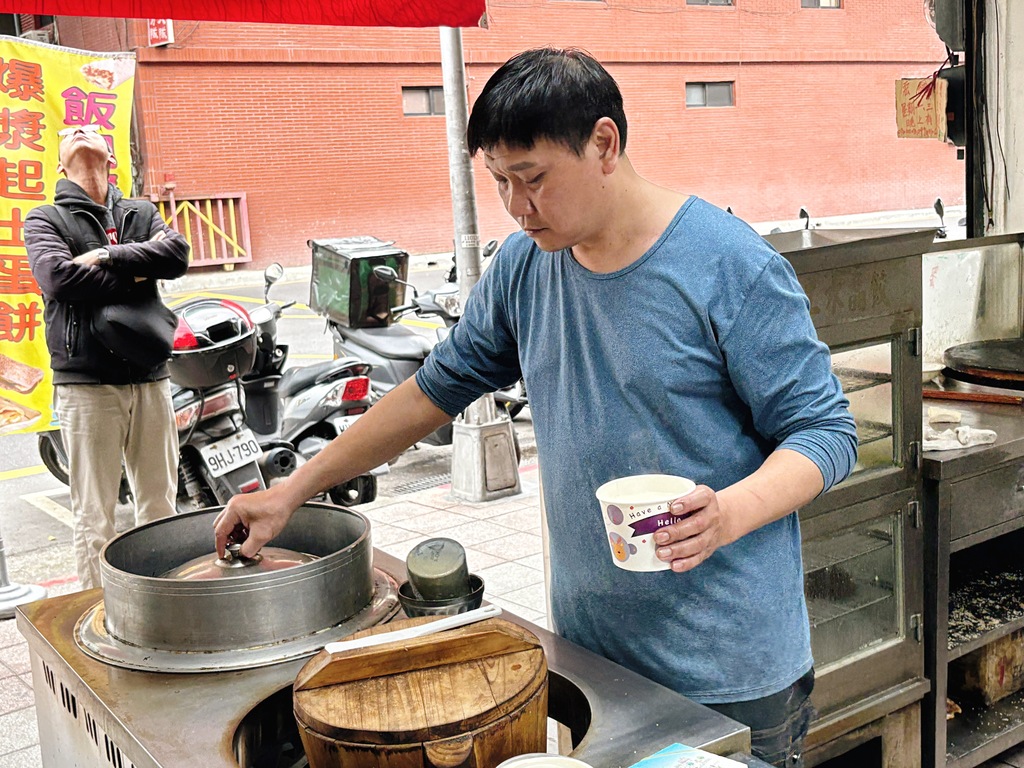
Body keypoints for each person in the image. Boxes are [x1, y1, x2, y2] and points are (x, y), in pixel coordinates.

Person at [215, 48, 856, 767]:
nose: (519, 207)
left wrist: (727, 515)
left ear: (605, 144)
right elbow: (435, 388)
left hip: (731, 668)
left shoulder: (730, 266)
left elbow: (826, 432)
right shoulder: (526, 263)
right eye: (499, 183)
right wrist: (292, 493)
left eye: (534, 179)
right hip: (591, 655)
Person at [26, 124, 190, 590]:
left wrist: (103, 256)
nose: (81, 130)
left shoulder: (139, 210)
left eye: (93, 129)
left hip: (151, 376)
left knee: (159, 505)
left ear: (111, 157)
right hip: (85, 383)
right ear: (60, 164)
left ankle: (163, 598)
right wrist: (137, 271)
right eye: (70, 132)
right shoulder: (45, 219)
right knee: (94, 513)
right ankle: (98, 610)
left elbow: (176, 255)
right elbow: (57, 280)